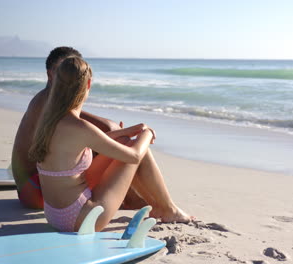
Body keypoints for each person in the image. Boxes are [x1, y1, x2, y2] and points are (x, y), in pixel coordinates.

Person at [28, 56, 192, 232]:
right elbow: (134, 156)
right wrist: (147, 133)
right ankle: (168, 209)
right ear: (88, 84)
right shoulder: (81, 127)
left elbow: (89, 140)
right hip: (83, 218)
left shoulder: (49, 122)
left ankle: (163, 207)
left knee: (124, 141)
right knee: (137, 148)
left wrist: (124, 132)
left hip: (54, 215)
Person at [12, 47, 123, 209]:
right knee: (115, 141)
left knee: (92, 141)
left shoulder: (50, 102)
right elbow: (108, 127)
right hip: (36, 190)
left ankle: (138, 199)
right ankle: (139, 201)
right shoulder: (46, 101)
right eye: (62, 72)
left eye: (72, 73)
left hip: (32, 188)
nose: (68, 79)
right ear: (50, 75)